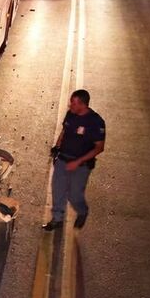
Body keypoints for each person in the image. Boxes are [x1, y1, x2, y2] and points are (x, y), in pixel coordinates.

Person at [43, 89, 106, 231]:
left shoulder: (96, 122)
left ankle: (82, 211)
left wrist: (77, 162)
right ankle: (57, 219)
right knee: (58, 190)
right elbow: (65, 131)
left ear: (83, 105)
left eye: (73, 103)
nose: (70, 105)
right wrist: (57, 147)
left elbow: (99, 148)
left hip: (81, 165)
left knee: (74, 195)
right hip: (63, 159)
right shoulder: (71, 114)